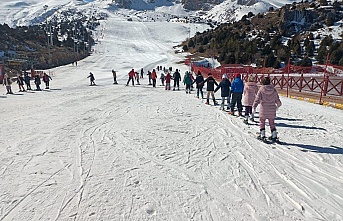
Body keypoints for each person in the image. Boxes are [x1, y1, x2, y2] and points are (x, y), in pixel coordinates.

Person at [253, 76, 282, 142]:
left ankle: (263, 135)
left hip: (264, 109)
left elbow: (257, 99)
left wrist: (254, 106)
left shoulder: (261, 89)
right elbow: (277, 99)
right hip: (272, 109)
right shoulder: (273, 90)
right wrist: (278, 105)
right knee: (272, 123)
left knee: (262, 122)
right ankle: (274, 135)